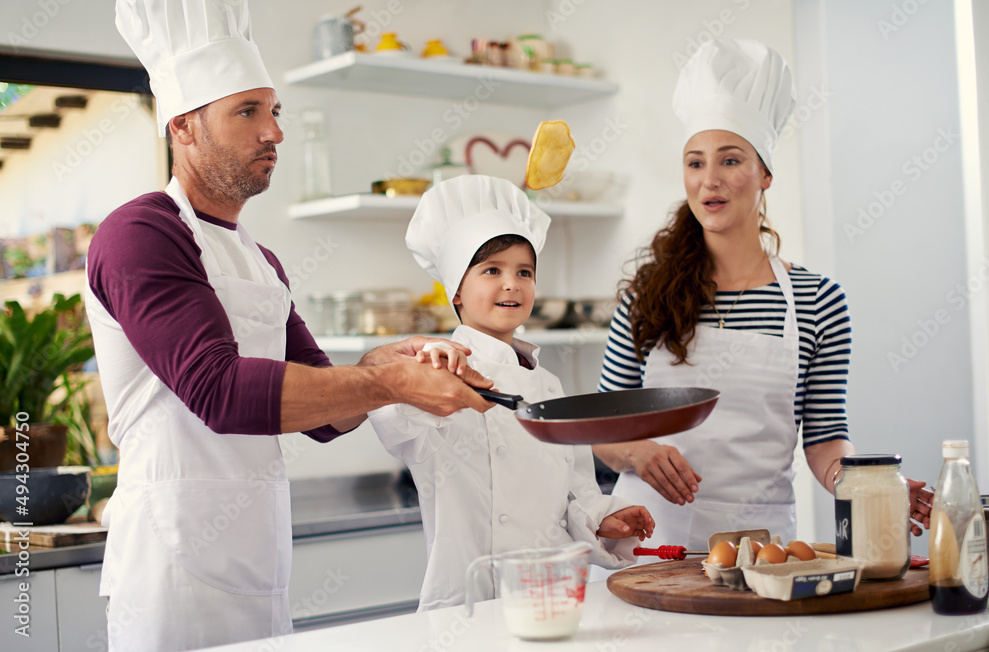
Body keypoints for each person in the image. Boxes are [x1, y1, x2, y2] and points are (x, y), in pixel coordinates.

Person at [86, 2, 492, 650]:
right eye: (248, 112)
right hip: (170, 571)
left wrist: (391, 361)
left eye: (275, 112)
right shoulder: (139, 234)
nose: (274, 131)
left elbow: (326, 409)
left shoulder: (258, 257)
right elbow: (220, 393)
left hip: (258, 563)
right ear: (184, 126)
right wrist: (390, 383)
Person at [591, 39, 933, 560]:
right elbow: (602, 431)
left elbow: (825, 438)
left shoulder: (819, 300)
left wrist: (862, 487)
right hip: (648, 547)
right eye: (695, 162)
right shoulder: (645, 296)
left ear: (765, 174)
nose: (710, 180)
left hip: (760, 553)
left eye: (731, 160)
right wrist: (637, 452)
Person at [368, 175, 655, 611]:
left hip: (550, 590)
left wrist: (602, 517)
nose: (512, 284)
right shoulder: (435, 370)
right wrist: (423, 368)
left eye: (524, 272)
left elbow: (573, 488)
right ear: (457, 291)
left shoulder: (548, 385)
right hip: (471, 599)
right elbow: (391, 418)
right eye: (492, 270)